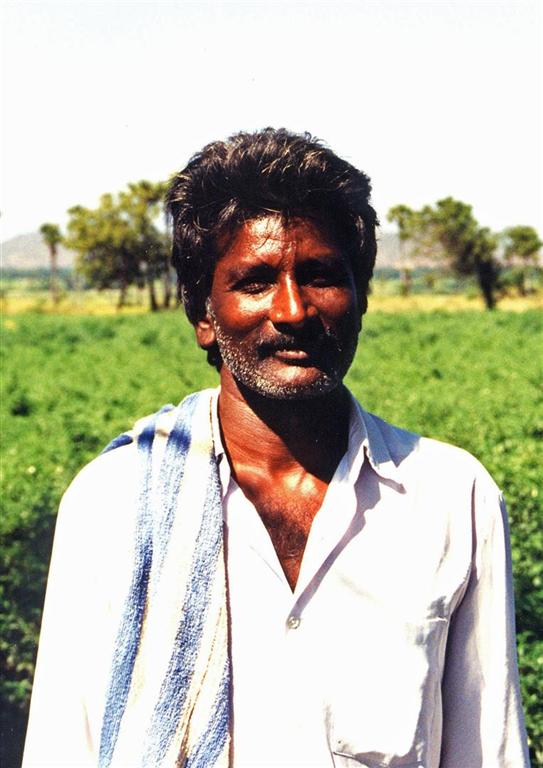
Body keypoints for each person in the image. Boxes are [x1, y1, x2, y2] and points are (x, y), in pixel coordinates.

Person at [23, 128, 529, 768]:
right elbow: (62, 747)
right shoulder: (113, 501)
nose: (292, 310)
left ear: (361, 297)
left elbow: (489, 751)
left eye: (320, 276)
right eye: (255, 281)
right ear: (203, 315)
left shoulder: (452, 497)